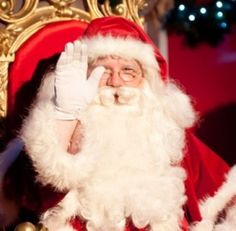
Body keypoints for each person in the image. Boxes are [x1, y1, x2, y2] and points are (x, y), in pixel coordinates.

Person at [0, 16, 235, 231]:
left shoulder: (166, 133)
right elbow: (27, 193)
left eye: (128, 71)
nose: (115, 82)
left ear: (146, 79)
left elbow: (226, 191)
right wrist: (65, 114)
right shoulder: (59, 128)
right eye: (102, 71)